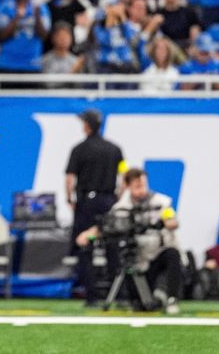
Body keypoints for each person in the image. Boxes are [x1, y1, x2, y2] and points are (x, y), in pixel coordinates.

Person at [76, 168, 181, 314]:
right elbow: (107, 225)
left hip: (159, 252)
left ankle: (171, 299)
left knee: (173, 254)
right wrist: (87, 234)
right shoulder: (122, 207)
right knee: (142, 305)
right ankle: (149, 297)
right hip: (139, 259)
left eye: (143, 184)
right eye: (137, 186)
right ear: (128, 186)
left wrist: (161, 223)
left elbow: (173, 222)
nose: (142, 189)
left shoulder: (161, 202)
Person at [66, 108, 126, 307]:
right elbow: (125, 176)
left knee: (86, 247)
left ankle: (91, 297)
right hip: (108, 202)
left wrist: (70, 198)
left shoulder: (79, 149)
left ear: (87, 125)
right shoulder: (114, 149)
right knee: (112, 248)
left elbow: (70, 177)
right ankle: (115, 295)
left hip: (87, 203)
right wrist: (117, 197)